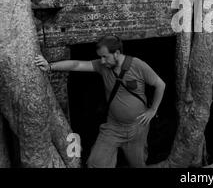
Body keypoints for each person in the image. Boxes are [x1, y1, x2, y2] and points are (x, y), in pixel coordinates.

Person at [34, 35, 166, 168]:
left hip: (137, 128)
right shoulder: (103, 66)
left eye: (105, 56)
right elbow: (77, 64)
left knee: (137, 164)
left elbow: (160, 84)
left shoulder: (137, 65)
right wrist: (49, 66)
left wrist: (153, 110)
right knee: (95, 163)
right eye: (100, 57)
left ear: (117, 53)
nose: (102, 61)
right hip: (113, 127)